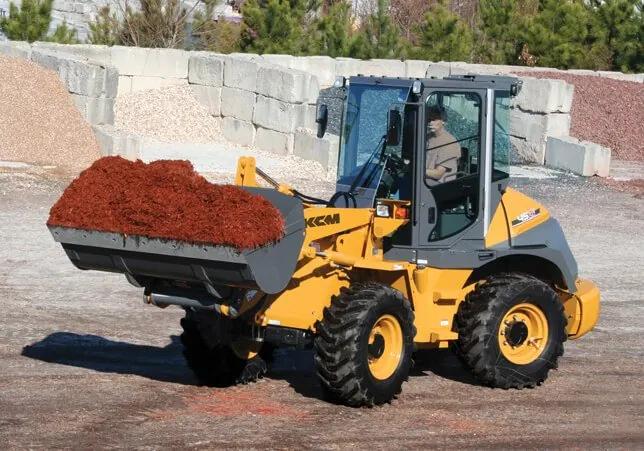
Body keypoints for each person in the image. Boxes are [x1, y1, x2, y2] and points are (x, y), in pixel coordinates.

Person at [425, 106, 461, 184]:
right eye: (428, 119)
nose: (430, 123)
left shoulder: (450, 142)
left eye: (434, 119)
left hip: (437, 186)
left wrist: (416, 169)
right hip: (424, 180)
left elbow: (438, 174)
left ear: (443, 121)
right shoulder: (427, 138)